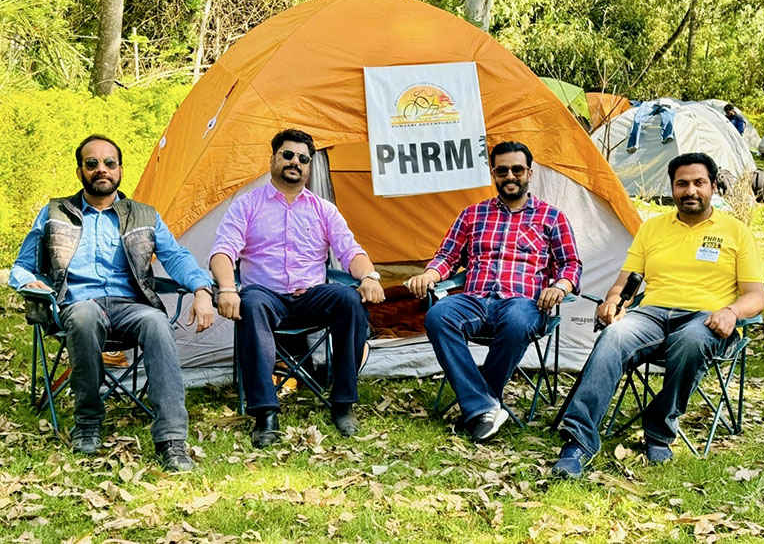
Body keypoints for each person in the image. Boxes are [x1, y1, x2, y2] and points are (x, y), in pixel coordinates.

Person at [552, 152, 764, 478]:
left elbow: (755, 296)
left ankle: (658, 429)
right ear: (672, 187)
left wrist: (731, 311)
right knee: (613, 336)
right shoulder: (652, 229)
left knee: (691, 340)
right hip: (652, 315)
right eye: (682, 184)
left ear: (713, 186)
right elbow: (624, 283)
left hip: (706, 319)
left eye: (699, 183)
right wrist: (613, 301)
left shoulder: (736, 232)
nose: (690, 191)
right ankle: (578, 441)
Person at [9, 135, 215, 471]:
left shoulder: (144, 215)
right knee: (85, 316)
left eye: (109, 163)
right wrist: (28, 282)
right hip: (78, 305)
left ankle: (171, 439)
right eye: (92, 163)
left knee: (156, 322)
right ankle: (88, 421)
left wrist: (202, 289)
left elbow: (177, 257)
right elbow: (21, 265)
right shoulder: (54, 213)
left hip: (130, 307)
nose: (101, 169)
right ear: (80, 171)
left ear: (120, 170)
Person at [210, 128, 384, 447]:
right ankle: (265, 413)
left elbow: (350, 251)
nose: (295, 162)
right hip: (266, 298)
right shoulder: (247, 205)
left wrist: (369, 276)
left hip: (311, 298)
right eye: (288, 155)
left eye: (303, 159)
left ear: (309, 166)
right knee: (250, 302)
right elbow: (222, 252)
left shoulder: (323, 209)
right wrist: (226, 288)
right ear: (273, 159)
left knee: (349, 300)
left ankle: (343, 403)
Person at [406, 141, 582, 442]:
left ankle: (479, 405)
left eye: (517, 170)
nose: (510, 176)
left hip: (523, 303)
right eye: (502, 171)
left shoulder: (552, 217)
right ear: (494, 173)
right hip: (475, 300)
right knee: (438, 316)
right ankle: (485, 406)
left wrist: (560, 286)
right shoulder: (472, 214)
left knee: (517, 322)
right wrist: (430, 275)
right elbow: (447, 256)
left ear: (529, 172)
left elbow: (570, 264)